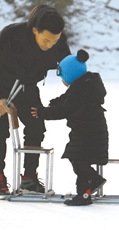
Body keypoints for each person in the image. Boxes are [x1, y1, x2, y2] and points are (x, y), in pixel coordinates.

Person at [0, 4, 71, 200]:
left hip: (27, 88)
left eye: (54, 41)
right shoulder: (10, 35)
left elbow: (67, 63)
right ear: (34, 31)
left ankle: (29, 177)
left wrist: (70, 77)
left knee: (36, 126)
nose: (50, 45)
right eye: (46, 40)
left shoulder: (58, 41)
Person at [31, 49, 109, 206]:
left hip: (88, 133)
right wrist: (56, 101)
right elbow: (68, 99)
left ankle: (93, 180)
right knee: (78, 158)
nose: (61, 80)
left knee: (77, 158)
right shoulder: (85, 86)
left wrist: (42, 112)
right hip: (89, 132)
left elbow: (65, 109)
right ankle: (84, 194)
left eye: (62, 76)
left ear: (71, 74)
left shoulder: (79, 90)